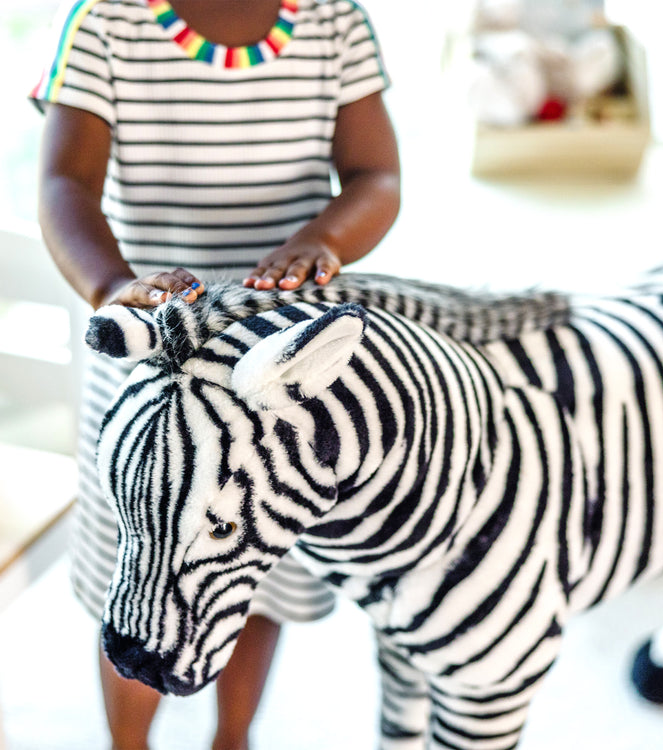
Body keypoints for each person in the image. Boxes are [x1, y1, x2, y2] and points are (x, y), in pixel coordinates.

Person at [31, 1, 400, 748]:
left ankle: (233, 739)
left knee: (252, 578)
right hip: (147, 367)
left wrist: (325, 238)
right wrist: (110, 289)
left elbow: (378, 176)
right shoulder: (107, 21)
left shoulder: (333, 22)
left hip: (279, 376)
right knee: (138, 581)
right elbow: (63, 182)